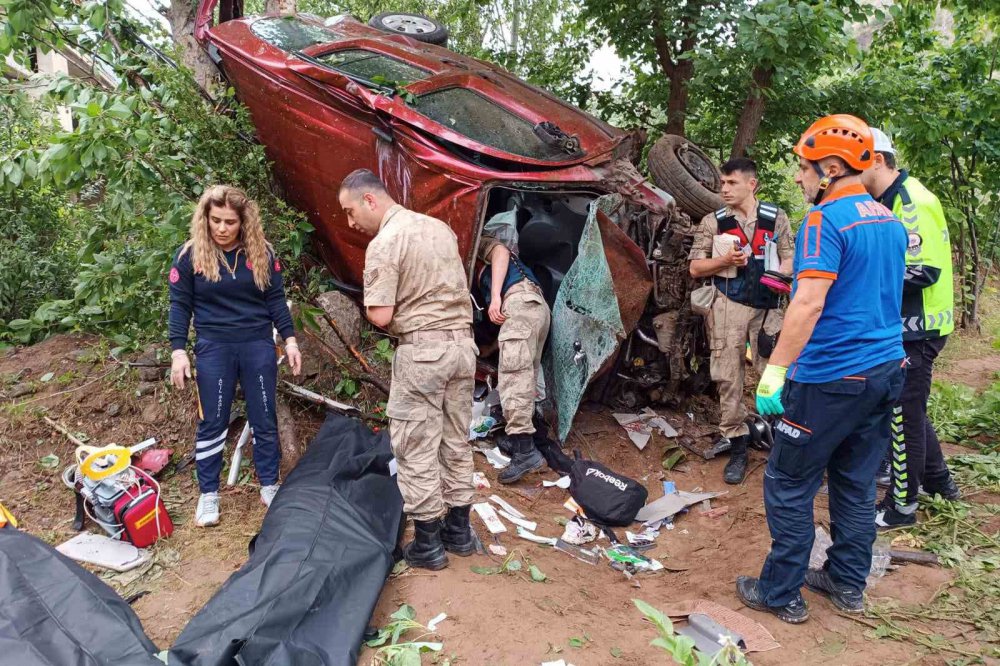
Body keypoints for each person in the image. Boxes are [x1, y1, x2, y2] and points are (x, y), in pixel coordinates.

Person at [737, 115, 907, 623]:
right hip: (883, 371)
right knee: (854, 482)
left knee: (788, 481)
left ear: (830, 168)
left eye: (804, 169)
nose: (798, 178)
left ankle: (780, 592)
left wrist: (775, 369)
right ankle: (846, 581)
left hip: (831, 375)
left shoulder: (823, 221)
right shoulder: (888, 220)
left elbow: (809, 304)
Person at [339, 169, 479, 571]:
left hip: (423, 353)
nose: (351, 223)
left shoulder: (386, 241)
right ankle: (459, 531)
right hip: (462, 347)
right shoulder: (439, 229)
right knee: (456, 438)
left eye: (350, 211)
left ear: (370, 200)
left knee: (415, 444)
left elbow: (380, 316)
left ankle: (429, 544)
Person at [169, 185, 302, 528]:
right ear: (205, 219)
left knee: (263, 415)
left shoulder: (261, 253)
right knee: (212, 420)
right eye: (216, 220)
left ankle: (270, 485)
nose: (223, 228)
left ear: (244, 222)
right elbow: (180, 306)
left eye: (230, 221)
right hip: (214, 347)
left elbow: (276, 301)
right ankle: (209, 493)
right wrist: (179, 351)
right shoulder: (189, 257)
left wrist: (289, 341)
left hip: (257, 345)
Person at [861, 128, 960, 528]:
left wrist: (858, 278)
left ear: (878, 161)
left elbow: (923, 270)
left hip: (918, 328)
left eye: (857, 161)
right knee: (911, 410)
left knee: (902, 414)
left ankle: (901, 507)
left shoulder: (910, 200)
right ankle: (939, 481)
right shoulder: (885, 200)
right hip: (905, 326)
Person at [688, 158, 794, 484]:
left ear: (752, 184)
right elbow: (694, 268)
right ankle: (737, 447)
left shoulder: (775, 218)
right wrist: (724, 260)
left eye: (731, 183)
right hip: (727, 306)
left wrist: (779, 274)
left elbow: (791, 258)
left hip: (768, 309)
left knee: (773, 376)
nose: (724, 189)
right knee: (727, 378)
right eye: (722, 183)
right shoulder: (713, 222)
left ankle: (783, 448)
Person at [477, 211, 551, 483]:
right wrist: (489, 350)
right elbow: (514, 325)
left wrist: (495, 297)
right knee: (524, 375)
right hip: (533, 308)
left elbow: (499, 251)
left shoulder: (481, 243)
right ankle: (520, 439)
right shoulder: (521, 274)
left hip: (520, 304)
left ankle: (525, 452)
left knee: (514, 379)